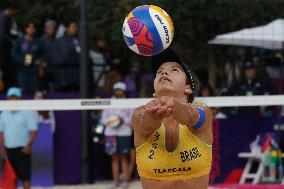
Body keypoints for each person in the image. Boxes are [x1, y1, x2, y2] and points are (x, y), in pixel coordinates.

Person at [132, 48, 213, 189]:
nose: (163, 72)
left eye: (174, 70)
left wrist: (172, 104)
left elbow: (189, 116)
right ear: (154, 89)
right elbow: (146, 124)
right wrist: (153, 115)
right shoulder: (141, 113)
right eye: (159, 71)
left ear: (188, 88)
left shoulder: (202, 110)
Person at [0, 87, 38, 189]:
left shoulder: (26, 113)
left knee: (25, 177)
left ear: (19, 98)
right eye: (11, 98)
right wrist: (2, 148)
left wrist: (29, 145)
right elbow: (1, 132)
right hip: (8, 150)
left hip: (22, 150)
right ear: (7, 99)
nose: (13, 100)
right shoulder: (3, 114)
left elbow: (34, 130)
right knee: (12, 177)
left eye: (15, 98)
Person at [100, 82, 134, 188]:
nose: (118, 91)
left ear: (124, 91)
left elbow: (133, 120)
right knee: (114, 158)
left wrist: (122, 119)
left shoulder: (129, 103)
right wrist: (112, 121)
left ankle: (126, 181)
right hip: (110, 133)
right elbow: (103, 119)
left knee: (124, 157)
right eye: (116, 89)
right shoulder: (109, 102)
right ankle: (116, 182)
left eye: (120, 89)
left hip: (124, 133)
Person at [11, 21, 43, 94]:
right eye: (29, 27)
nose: (31, 29)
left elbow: (43, 54)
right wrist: (21, 61)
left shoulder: (38, 42)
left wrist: (40, 62)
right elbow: (14, 53)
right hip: (22, 69)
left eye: (33, 28)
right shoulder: (20, 41)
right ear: (26, 29)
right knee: (23, 89)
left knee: (34, 90)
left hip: (34, 70)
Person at [0, 1, 18, 89]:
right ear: (10, 9)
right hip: (3, 52)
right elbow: (2, 35)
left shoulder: (9, 19)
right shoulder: (3, 18)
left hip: (6, 52)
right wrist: (11, 41)